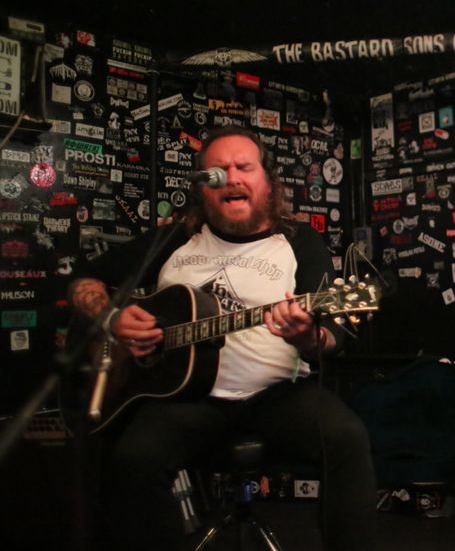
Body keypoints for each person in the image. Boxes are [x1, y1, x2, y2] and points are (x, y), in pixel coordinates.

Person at [68, 126, 377, 551]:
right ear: (203, 187)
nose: (231, 178)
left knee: (347, 437)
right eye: (218, 170)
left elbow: (332, 338)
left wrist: (305, 337)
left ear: (267, 182)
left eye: (243, 167)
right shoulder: (177, 239)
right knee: (133, 457)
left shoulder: (298, 242)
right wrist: (112, 318)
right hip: (187, 397)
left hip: (278, 394)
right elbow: (84, 279)